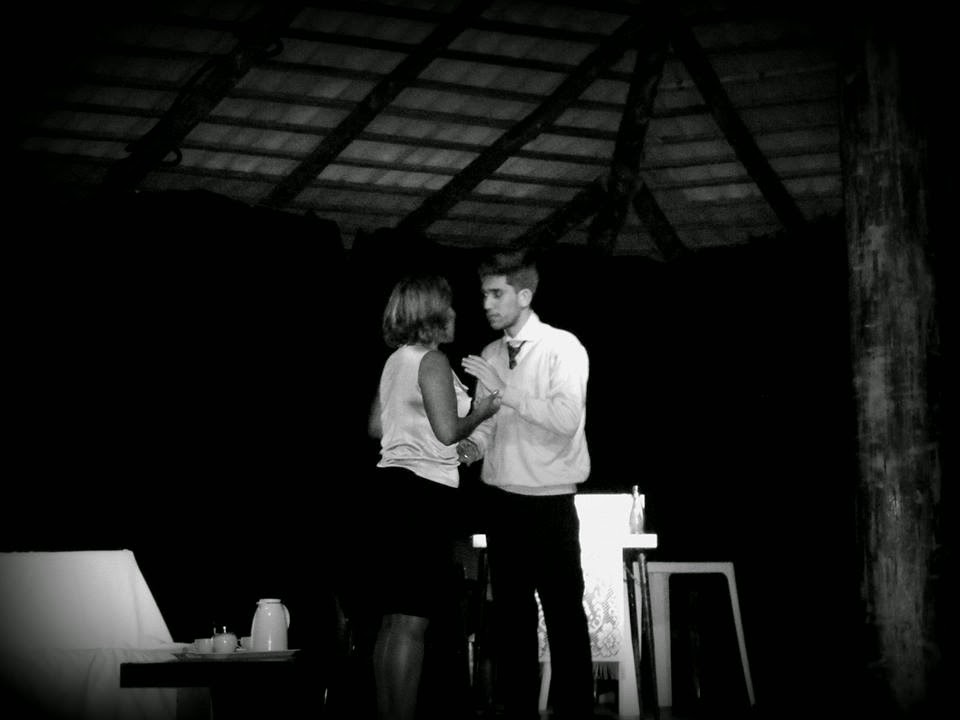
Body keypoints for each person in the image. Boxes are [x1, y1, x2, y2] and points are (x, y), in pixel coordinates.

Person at [458, 248, 594, 720]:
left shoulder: (563, 347)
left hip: (551, 504)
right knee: (512, 620)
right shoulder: (491, 354)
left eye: (496, 294)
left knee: (564, 616)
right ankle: (518, 712)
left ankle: (576, 713)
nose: (486, 304)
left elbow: (566, 418)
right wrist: (464, 448)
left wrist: (504, 389)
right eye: (483, 295)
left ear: (524, 295)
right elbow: (487, 426)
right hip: (503, 503)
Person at [368, 273, 501, 720]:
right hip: (420, 496)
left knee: (394, 619)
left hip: (391, 491)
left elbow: (376, 426)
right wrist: (481, 410)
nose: (456, 313)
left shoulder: (396, 360)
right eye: (449, 306)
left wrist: (419, 430)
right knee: (413, 621)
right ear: (432, 314)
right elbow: (447, 432)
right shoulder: (432, 360)